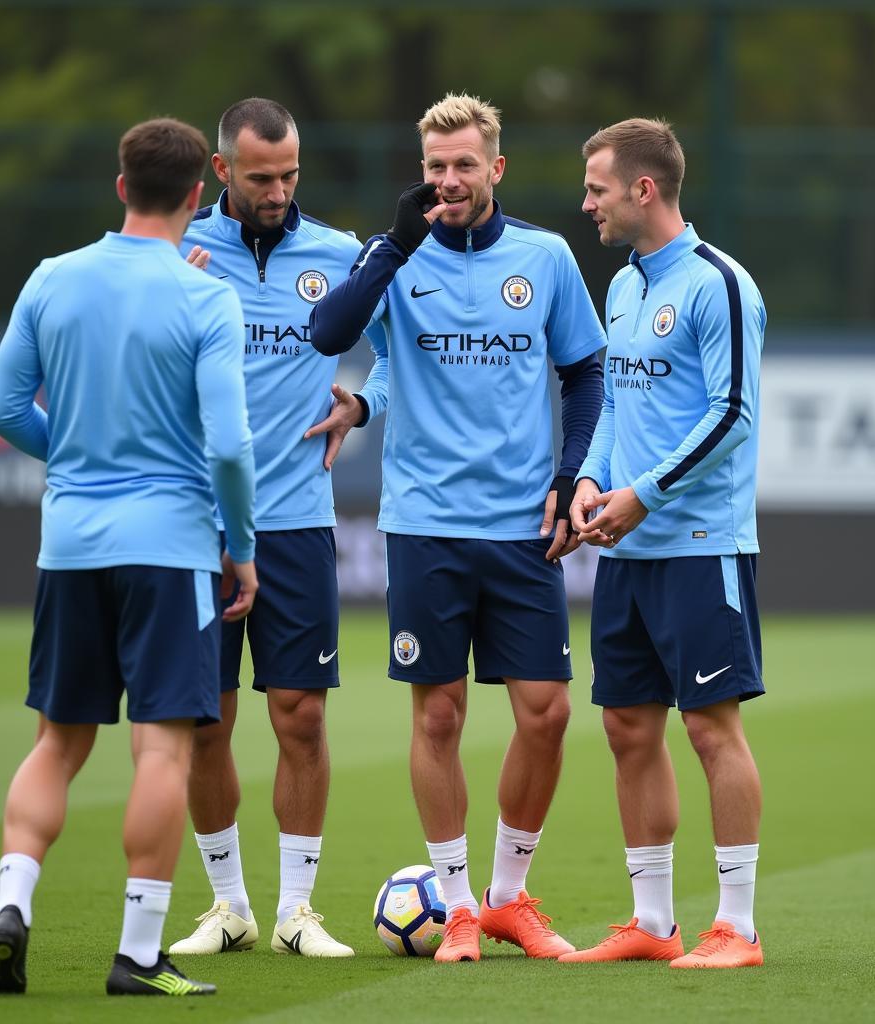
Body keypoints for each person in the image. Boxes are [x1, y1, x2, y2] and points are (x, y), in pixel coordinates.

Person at [310, 93, 605, 963]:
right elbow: (328, 330)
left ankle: (507, 898)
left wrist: (568, 474)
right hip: (426, 525)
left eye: (464, 165)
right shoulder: (392, 256)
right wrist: (397, 243)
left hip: (521, 528)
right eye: (435, 166)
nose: (447, 181)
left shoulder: (545, 259)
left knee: (546, 714)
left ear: (496, 169)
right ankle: (456, 908)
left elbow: (586, 376)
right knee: (436, 716)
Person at [0, 117, 258, 997]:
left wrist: (77, 454)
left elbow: (3, 409)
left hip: (69, 546)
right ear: (200, 196)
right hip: (169, 549)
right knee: (163, 751)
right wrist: (240, 548)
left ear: (120, 185)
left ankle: (11, 902)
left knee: (58, 742)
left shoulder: (52, 278)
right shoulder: (205, 297)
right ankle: (138, 954)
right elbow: (227, 449)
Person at [167, 97, 386, 960]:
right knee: (205, 723)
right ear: (221, 171)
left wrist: (363, 402)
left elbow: (404, 349)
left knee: (300, 716)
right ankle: (229, 907)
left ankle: (297, 911)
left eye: (290, 174)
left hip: (297, 521)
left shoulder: (337, 255)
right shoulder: (179, 253)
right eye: (261, 177)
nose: (278, 190)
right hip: (195, 523)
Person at [559, 118, 766, 969]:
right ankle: (651, 921)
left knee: (712, 732)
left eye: (598, 189)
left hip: (699, 542)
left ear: (644, 189)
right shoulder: (623, 283)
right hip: (627, 550)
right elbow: (613, 404)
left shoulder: (718, 282)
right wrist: (587, 480)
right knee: (626, 727)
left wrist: (642, 495)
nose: (587, 204)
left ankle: (738, 929)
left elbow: (730, 413)